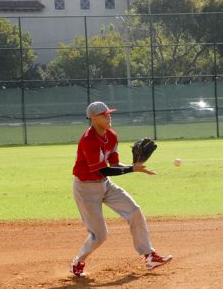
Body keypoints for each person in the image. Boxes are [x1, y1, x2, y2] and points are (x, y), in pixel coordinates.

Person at [70, 101, 172, 277]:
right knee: (100, 235)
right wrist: (132, 169)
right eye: (104, 115)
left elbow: (114, 164)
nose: (109, 116)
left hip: (105, 184)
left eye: (109, 113)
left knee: (134, 211)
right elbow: (103, 169)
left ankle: (149, 256)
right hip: (86, 189)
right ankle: (78, 263)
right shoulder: (88, 141)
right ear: (93, 119)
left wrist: (135, 166)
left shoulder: (112, 136)